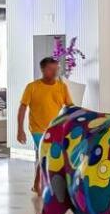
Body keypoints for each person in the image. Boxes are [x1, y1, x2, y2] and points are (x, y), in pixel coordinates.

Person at [16, 56, 73, 194]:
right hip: (37, 129)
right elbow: (22, 108)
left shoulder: (62, 87)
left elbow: (70, 107)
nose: (54, 72)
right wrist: (20, 130)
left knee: (46, 155)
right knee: (45, 154)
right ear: (42, 70)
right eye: (50, 69)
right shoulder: (32, 87)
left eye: (56, 69)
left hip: (55, 128)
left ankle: (37, 184)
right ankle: (42, 185)